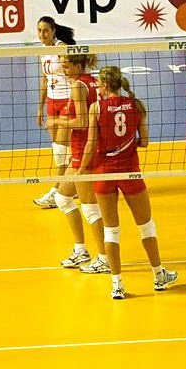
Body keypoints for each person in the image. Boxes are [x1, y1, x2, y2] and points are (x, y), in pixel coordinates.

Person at [81, 66, 179, 300]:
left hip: (104, 174)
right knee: (146, 226)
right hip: (130, 173)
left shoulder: (96, 108)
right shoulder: (136, 106)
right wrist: (125, 144)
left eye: (99, 84)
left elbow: (91, 144)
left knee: (111, 231)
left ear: (105, 85)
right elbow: (144, 142)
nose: (98, 88)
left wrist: (82, 169)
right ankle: (159, 275)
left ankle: (117, 285)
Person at [46, 54, 110, 273]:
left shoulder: (78, 86)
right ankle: (81, 250)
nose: (64, 70)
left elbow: (82, 122)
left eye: (67, 66)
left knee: (91, 208)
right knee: (63, 198)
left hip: (85, 151)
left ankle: (104, 258)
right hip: (84, 149)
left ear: (78, 65)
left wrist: (57, 120)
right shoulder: (93, 81)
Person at [34, 16, 76, 209]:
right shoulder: (42, 51)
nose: (42, 34)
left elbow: (73, 75)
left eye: (45, 30)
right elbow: (45, 80)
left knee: (62, 151)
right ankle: (73, 185)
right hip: (52, 103)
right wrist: (40, 108)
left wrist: (74, 101)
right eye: (39, 30)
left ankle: (56, 191)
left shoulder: (62, 48)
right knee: (60, 150)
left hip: (66, 100)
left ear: (53, 31)